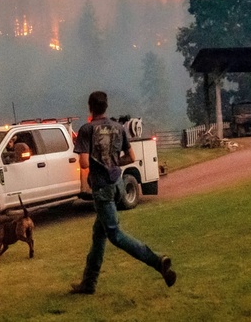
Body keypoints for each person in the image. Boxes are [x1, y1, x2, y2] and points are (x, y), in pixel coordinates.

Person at [70, 91, 176, 295]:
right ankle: (88, 284)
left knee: (115, 235)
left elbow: (83, 163)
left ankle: (157, 261)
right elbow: (131, 156)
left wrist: (96, 164)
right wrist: (112, 162)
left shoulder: (87, 130)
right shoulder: (119, 128)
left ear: (90, 107)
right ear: (106, 107)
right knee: (98, 235)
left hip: (102, 189)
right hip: (117, 184)